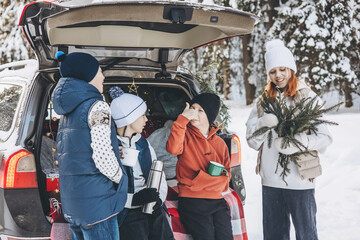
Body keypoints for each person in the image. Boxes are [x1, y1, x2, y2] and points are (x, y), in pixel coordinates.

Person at [245, 39, 333, 240]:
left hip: (299, 180)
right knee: (274, 235)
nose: (278, 75)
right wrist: (261, 125)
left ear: (291, 69)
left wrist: (298, 143)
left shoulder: (307, 97)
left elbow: (325, 138)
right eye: (273, 71)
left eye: (282, 69)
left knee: (306, 234)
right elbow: (252, 141)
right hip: (271, 181)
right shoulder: (264, 101)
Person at [52, 51, 128, 240]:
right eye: (100, 71)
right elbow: (102, 156)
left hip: (75, 204)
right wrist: (120, 178)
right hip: (97, 204)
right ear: (88, 75)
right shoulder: (97, 106)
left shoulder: (68, 111)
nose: (103, 76)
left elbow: (79, 151)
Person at [109, 86, 173, 240]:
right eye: (142, 115)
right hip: (126, 210)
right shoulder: (110, 147)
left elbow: (158, 175)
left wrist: (159, 198)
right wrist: (134, 200)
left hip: (151, 205)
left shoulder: (143, 144)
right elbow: (107, 189)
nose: (146, 119)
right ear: (129, 118)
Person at [166, 93, 233, 240]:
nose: (194, 113)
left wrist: (202, 180)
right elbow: (172, 149)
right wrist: (182, 120)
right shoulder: (184, 135)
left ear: (210, 115)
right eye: (193, 108)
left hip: (217, 200)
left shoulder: (220, 144)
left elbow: (226, 177)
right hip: (192, 201)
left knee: (226, 236)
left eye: (200, 110)